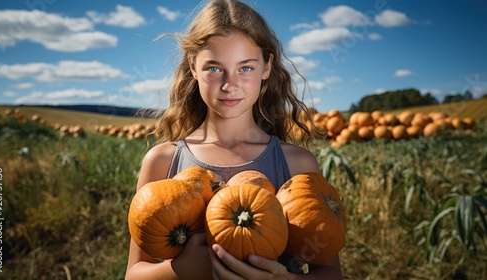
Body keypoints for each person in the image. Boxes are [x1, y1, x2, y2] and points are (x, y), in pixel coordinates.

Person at [125, 0, 343, 279]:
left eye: (246, 68)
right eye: (214, 68)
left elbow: (330, 272)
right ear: (193, 67)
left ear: (267, 67)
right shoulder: (162, 161)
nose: (229, 85)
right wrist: (180, 270)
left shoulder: (297, 164)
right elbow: (133, 273)